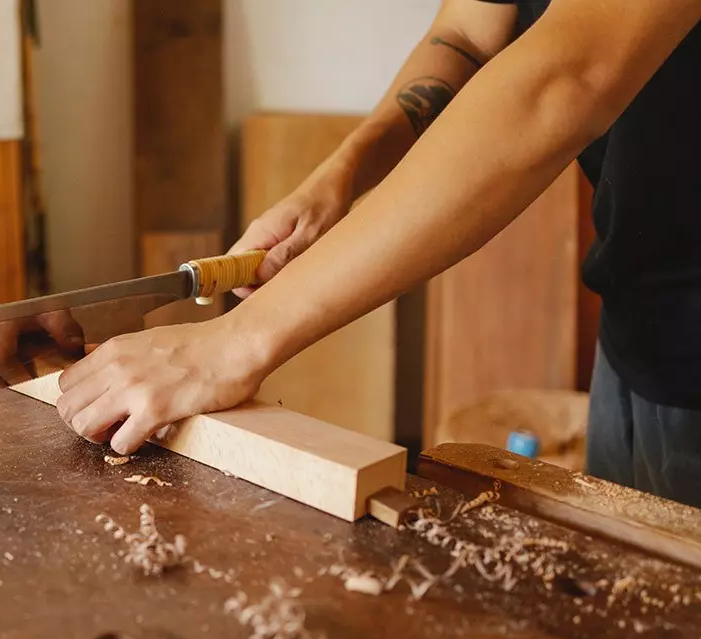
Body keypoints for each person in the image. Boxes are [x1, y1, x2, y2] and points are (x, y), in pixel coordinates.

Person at [53, 0, 701, 505]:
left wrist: (232, 344)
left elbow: (566, 78)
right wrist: (341, 176)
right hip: (636, 332)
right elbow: (471, 37)